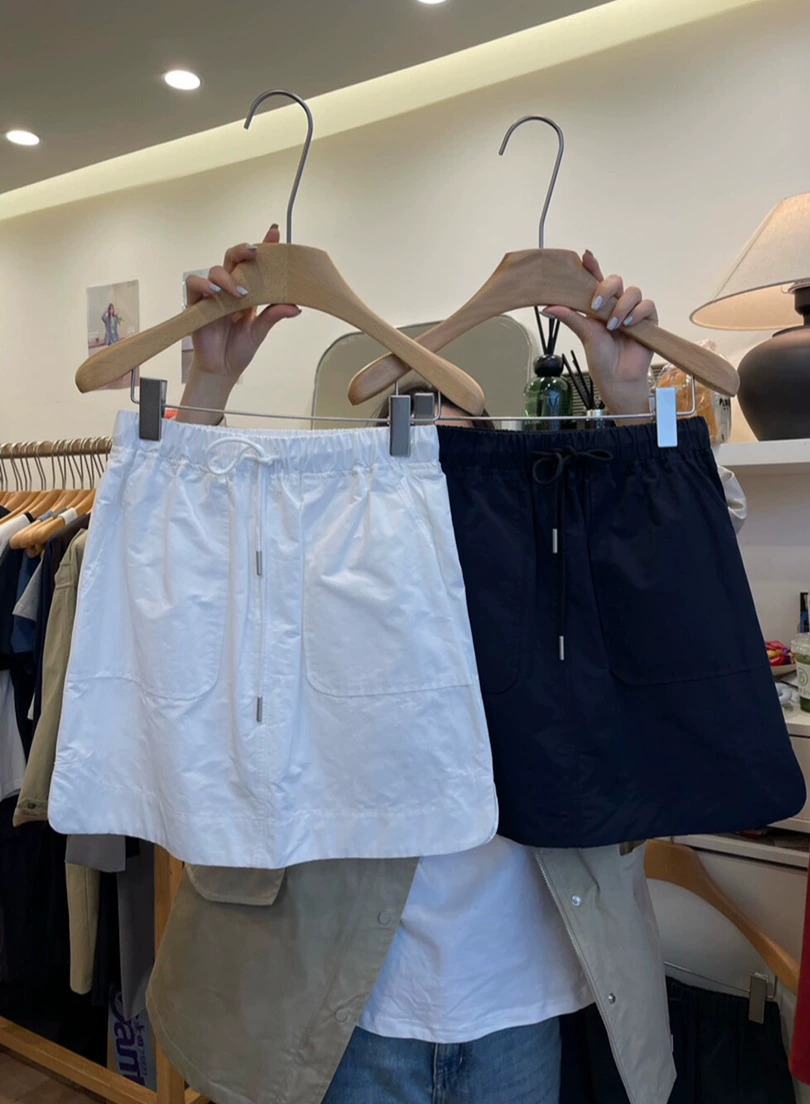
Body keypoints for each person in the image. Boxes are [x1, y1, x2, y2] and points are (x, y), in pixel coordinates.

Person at [152, 222, 746, 1104]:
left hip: (518, 1005)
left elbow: (688, 565)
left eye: (463, 467)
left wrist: (630, 396)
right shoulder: (308, 570)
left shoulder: (558, 570)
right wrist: (209, 384)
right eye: (409, 467)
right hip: (336, 1004)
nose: (437, 489)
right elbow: (178, 570)